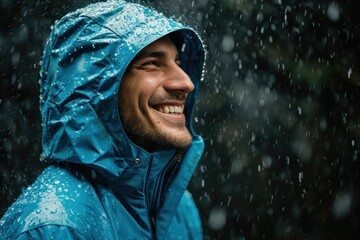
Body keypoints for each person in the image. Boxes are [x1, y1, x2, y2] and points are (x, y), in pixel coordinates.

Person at [0, 0, 205, 239]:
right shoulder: (53, 228)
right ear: (95, 90)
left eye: (178, 63)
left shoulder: (178, 208)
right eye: (152, 64)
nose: (186, 83)